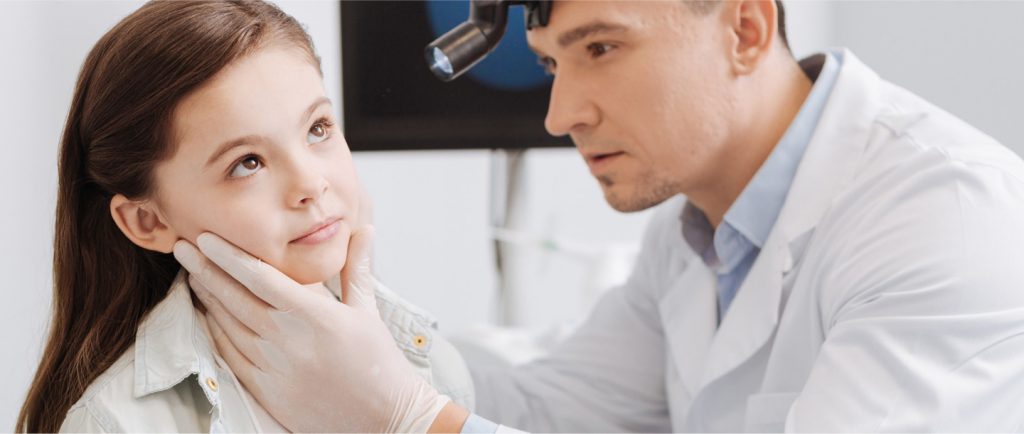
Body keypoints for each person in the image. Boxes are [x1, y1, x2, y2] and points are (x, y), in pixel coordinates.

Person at [178, 0, 1024, 432]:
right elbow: (554, 408)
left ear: (744, 27)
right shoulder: (694, 235)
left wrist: (406, 417)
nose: (559, 112)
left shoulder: (949, 218)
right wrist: (349, 322)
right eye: (550, 62)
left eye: (601, 49)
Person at [15, 1, 474, 432]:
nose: (311, 184)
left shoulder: (428, 363)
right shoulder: (120, 423)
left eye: (318, 129)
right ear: (147, 222)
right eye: (247, 162)